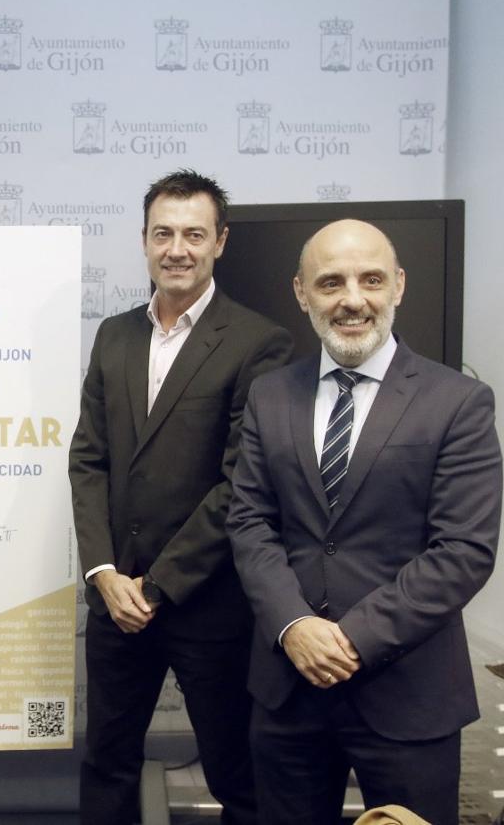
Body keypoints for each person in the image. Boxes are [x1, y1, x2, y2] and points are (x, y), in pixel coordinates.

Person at [228, 219, 501, 825]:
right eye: (331, 283)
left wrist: (352, 640)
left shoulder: (457, 402)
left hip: (409, 692)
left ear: (398, 286)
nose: (353, 299)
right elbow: (249, 522)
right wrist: (294, 623)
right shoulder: (270, 396)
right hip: (287, 689)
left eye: (371, 279)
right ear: (302, 293)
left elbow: (463, 550)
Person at [68, 169, 292, 825]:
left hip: (208, 605)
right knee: (106, 767)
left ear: (219, 242)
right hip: (115, 604)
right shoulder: (115, 335)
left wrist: (157, 586)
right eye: (163, 233)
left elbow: (243, 482)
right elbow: (90, 461)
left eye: (194, 234)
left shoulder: (259, 342)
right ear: (143, 241)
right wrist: (106, 574)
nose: (177, 249)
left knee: (236, 776)